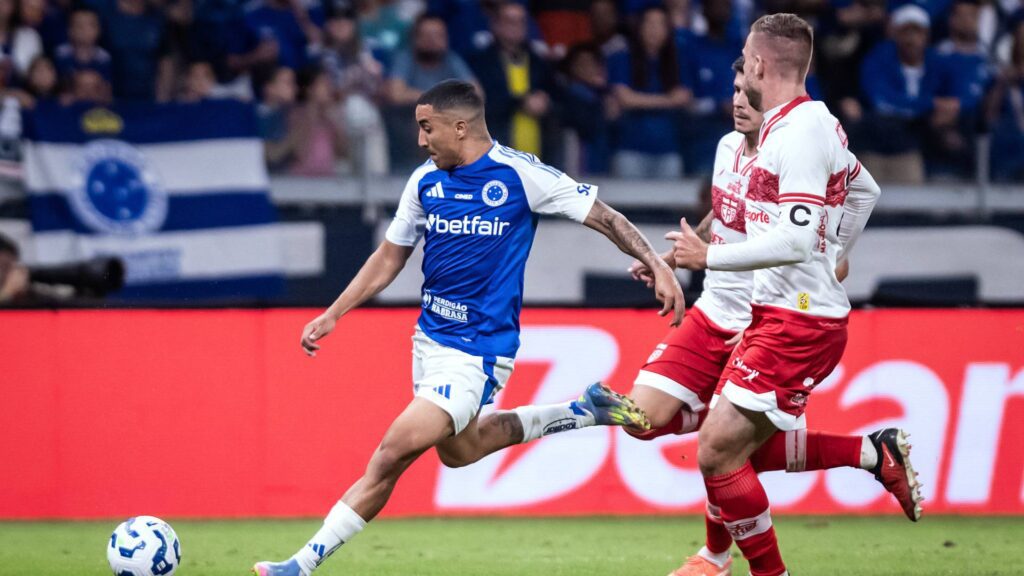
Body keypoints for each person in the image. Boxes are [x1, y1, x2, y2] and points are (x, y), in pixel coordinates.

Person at [252, 79, 684, 576]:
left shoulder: (520, 174)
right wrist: (335, 311)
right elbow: (390, 256)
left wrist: (657, 263)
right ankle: (583, 410)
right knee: (462, 452)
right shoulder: (424, 182)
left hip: (478, 352)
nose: (420, 140)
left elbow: (606, 218)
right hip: (429, 342)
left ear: (460, 127)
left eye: (426, 127)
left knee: (392, 452)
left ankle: (300, 565)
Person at [669, 14, 922, 576]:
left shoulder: (802, 132)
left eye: (745, 56)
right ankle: (870, 453)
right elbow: (865, 189)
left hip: (799, 320)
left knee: (715, 451)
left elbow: (795, 239)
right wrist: (836, 252)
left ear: (758, 64)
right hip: (777, 314)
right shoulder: (799, 124)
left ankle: (740, 565)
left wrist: (708, 257)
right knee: (735, 452)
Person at [851, 5, 957, 183]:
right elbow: (882, 101)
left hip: (912, 146)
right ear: (895, 34)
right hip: (874, 145)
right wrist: (930, 105)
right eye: (905, 32)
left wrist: (945, 112)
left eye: (917, 32)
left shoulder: (937, 63)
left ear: (927, 35)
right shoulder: (877, 59)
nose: (912, 39)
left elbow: (952, 101)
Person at [607, 6, 691, 178]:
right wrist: (668, 100)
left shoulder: (678, 61)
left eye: (660, 24)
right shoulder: (622, 58)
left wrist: (640, 100)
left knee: (670, 196)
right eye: (649, 23)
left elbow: (684, 97)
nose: (654, 29)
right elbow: (625, 99)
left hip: (668, 149)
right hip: (630, 149)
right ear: (639, 27)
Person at [467, 1, 556, 158]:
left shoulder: (539, 63)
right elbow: (482, 103)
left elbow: (557, 97)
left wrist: (547, 102)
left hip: (537, 157)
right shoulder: (480, 63)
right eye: (510, 21)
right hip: (495, 153)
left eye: (521, 22)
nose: (516, 27)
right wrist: (521, 102)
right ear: (495, 25)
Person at [385, 13, 476, 106]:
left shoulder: (452, 59)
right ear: (415, 38)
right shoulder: (405, 58)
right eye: (427, 35)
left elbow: (476, 94)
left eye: (438, 35)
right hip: (411, 113)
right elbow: (396, 94)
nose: (432, 40)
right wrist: (441, 99)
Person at [52, 8, 111, 87]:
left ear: (98, 30)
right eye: (79, 26)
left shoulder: (104, 58)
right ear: (70, 30)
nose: (85, 30)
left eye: (90, 25)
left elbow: (107, 88)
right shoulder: (60, 54)